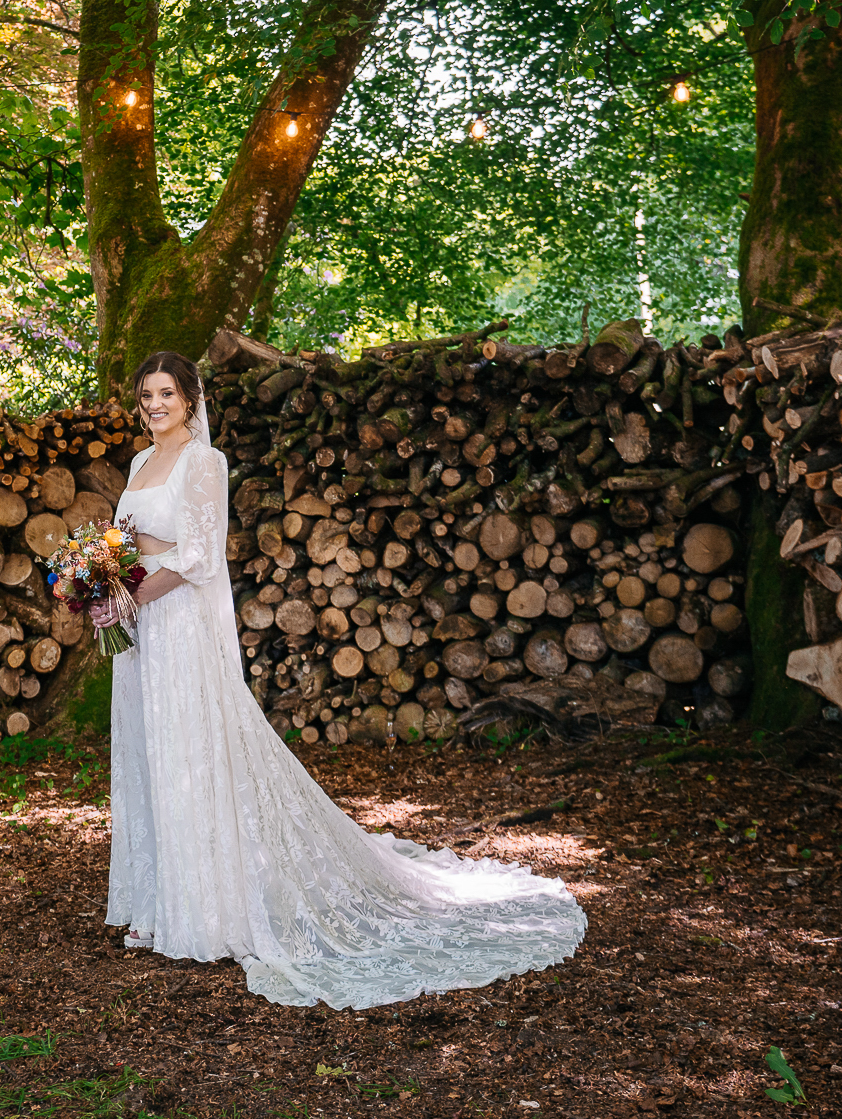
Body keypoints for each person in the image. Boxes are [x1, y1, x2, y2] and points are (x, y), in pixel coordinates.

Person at [88, 350, 586, 1010]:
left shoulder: (206, 463)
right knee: (156, 759)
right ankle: (161, 903)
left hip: (177, 624)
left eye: (167, 394)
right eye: (146, 394)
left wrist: (131, 590)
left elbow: (202, 556)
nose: (155, 405)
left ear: (190, 399)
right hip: (142, 636)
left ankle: (204, 913)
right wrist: (104, 576)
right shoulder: (137, 464)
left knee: (196, 757)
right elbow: (124, 538)